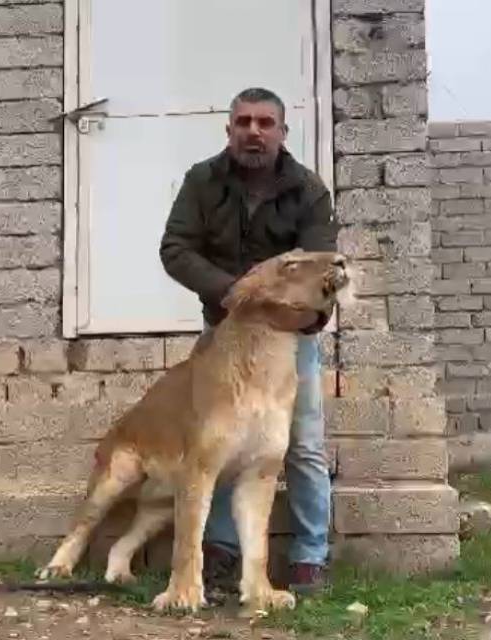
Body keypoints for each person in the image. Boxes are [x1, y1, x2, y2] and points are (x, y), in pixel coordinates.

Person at [158, 87, 336, 594]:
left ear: (282, 131)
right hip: (225, 333)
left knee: (302, 443)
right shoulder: (203, 180)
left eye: (264, 122)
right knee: (217, 444)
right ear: (229, 130)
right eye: (243, 122)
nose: (253, 131)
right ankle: (218, 554)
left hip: (286, 338)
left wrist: (301, 317)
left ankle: (308, 557)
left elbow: (323, 264)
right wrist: (229, 292)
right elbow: (176, 248)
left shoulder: (308, 190)